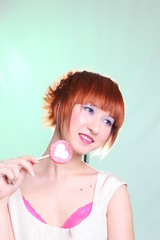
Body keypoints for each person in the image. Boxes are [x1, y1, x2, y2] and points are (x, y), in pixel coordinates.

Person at [0, 70, 135, 240]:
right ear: (59, 105)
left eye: (107, 121)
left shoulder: (111, 191)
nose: (95, 128)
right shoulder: (12, 184)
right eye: (89, 110)